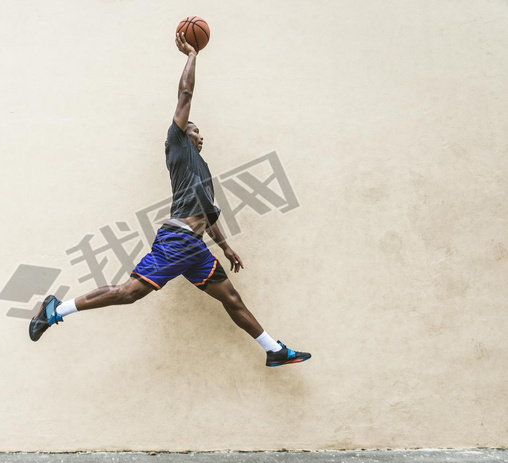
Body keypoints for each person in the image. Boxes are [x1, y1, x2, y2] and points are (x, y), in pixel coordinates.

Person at [29, 32, 311, 367]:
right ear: (182, 132)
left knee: (231, 298)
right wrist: (192, 55)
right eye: (194, 129)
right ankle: (55, 310)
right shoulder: (177, 146)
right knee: (128, 293)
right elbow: (186, 94)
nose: (199, 134)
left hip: (196, 248)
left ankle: (272, 350)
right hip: (178, 241)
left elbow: (208, 214)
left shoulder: (202, 170)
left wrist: (225, 246)